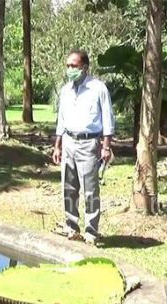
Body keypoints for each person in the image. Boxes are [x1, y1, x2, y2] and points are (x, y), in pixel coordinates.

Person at [52, 49, 115, 245]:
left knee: (90, 190)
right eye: (68, 66)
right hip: (69, 142)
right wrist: (57, 146)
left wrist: (105, 147)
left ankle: (91, 231)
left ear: (85, 67)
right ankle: (71, 226)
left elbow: (108, 119)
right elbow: (61, 121)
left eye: (74, 66)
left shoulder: (98, 89)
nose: (70, 69)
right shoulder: (65, 90)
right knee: (69, 187)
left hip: (89, 143)